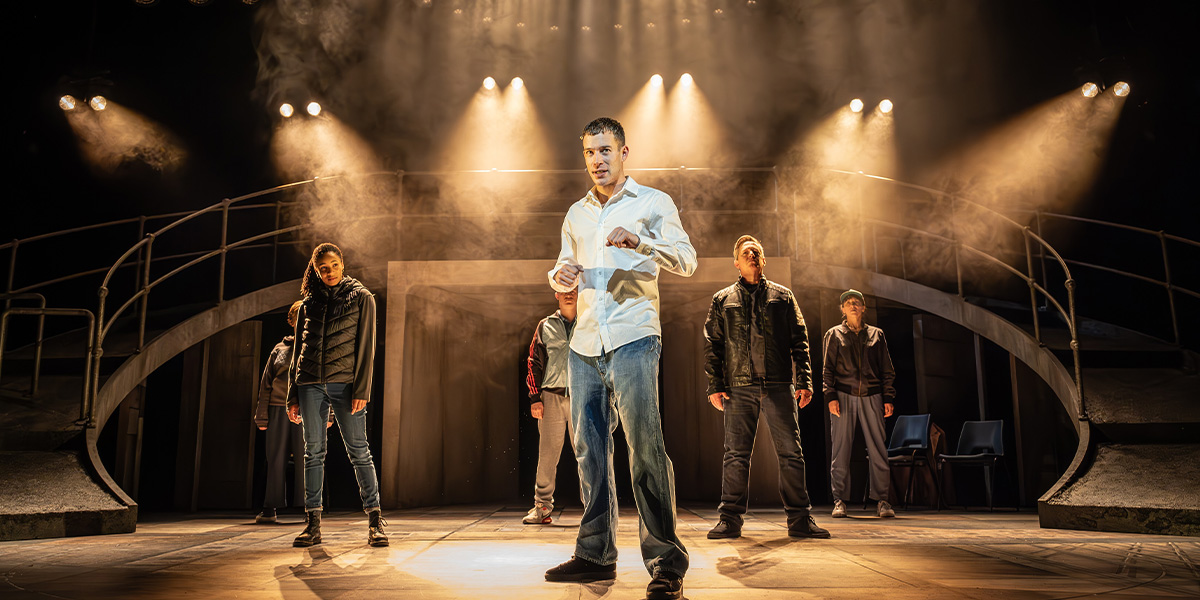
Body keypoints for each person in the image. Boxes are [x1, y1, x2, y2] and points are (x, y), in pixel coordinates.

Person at [544, 117, 696, 600]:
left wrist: (640, 241)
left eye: (605, 150)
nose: (597, 160)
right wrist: (559, 276)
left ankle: (666, 562)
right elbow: (565, 264)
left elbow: (687, 260)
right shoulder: (576, 213)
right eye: (590, 152)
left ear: (624, 152)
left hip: (634, 336)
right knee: (589, 451)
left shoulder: (653, 202)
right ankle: (595, 554)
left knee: (645, 449)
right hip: (585, 341)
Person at [703, 235, 830, 540]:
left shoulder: (783, 296)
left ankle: (800, 519)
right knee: (736, 455)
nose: (752, 255)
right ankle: (730, 519)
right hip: (738, 386)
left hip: (778, 385)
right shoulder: (722, 299)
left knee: (791, 453)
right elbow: (713, 345)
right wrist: (715, 385)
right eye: (746, 252)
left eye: (756, 252)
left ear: (763, 260)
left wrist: (805, 381)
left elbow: (800, 341)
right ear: (736, 262)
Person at [286, 242, 388, 547]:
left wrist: (362, 389)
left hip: (345, 385)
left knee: (359, 451)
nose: (329, 272)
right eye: (323, 268)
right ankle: (312, 524)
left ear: (342, 264)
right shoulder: (308, 304)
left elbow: (367, 347)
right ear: (316, 271)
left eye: (333, 265)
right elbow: (299, 351)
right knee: (313, 453)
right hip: (309, 385)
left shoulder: (362, 297)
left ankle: (375, 521)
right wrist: (293, 394)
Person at [822, 289, 897, 519]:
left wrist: (888, 397)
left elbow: (887, 369)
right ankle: (839, 500)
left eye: (857, 302)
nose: (853, 305)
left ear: (863, 308)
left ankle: (882, 500)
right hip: (843, 396)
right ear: (842, 309)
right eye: (848, 303)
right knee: (840, 449)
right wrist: (830, 396)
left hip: (872, 396)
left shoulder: (876, 334)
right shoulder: (834, 334)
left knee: (878, 449)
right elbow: (827, 370)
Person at [522, 289, 579, 525]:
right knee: (547, 454)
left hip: (582, 396)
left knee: (588, 454)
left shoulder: (589, 322)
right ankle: (542, 507)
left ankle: (595, 509)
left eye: (573, 289)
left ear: (580, 291)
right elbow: (534, 361)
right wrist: (535, 397)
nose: (569, 294)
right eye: (564, 290)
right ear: (556, 294)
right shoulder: (545, 325)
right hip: (550, 397)